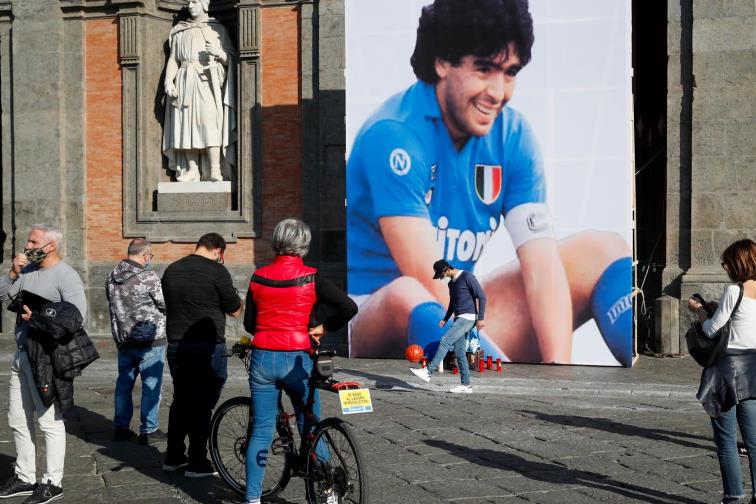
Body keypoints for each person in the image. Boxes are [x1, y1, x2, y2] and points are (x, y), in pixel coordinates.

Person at [345, 0, 633, 366]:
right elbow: (431, 277)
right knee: (408, 292)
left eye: (509, 73)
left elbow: (542, 267)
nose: (498, 92)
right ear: (442, 62)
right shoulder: (394, 134)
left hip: (454, 316)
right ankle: (494, 388)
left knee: (602, 249)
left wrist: (559, 377)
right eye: (484, 69)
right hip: (370, 323)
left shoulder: (512, 135)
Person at [242, 218, 357, 504]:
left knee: (261, 429)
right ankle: (327, 490)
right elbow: (349, 307)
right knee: (312, 425)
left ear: (276, 243)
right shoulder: (313, 277)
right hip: (298, 360)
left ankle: (253, 498)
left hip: (263, 358)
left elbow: (248, 323)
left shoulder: (258, 277)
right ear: (304, 245)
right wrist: (323, 328)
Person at [0, 224, 87, 503]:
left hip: (47, 359)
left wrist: (36, 319)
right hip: (21, 354)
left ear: (50, 246)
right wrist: (13, 272)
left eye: (33, 241)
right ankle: (25, 477)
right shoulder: (25, 271)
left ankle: (53, 482)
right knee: (17, 419)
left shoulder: (66, 276)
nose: (27, 245)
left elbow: (76, 319)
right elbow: (2, 297)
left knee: (49, 421)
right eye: (28, 240)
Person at [688, 239, 756, 504]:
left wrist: (700, 310)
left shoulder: (735, 291)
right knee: (755, 441)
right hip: (751, 367)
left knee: (726, 442)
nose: (726, 268)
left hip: (726, 370)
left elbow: (711, 330)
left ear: (737, 263)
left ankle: (734, 497)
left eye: (726, 263)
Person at [161, 232, 242, 477]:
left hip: (176, 345)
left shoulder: (171, 270)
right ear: (218, 250)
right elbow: (235, 310)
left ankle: (174, 456)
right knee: (203, 404)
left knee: (181, 400)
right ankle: (198, 460)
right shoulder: (217, 271)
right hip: (208, 347)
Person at [162, 0, 236, 183]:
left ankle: (215, 170)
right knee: (185, 126)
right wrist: (168, 81)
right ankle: (192, 170)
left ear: (204, 4)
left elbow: (231, 58)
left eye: (194, 1)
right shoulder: (180, 31)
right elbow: (173, 59)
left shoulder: (217, 29)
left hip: (206, 82)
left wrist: (219, 53)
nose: (190, 5)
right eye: (188, 2)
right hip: (184, 82)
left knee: (209, 123)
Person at [105, 238, 168, 445]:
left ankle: (121, 427)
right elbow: (164, 303)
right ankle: (149, 429)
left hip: (124, 338)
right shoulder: (148, 276)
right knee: (151, 385)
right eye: (150, 256)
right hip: (150, 340)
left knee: (124, 383)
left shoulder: (112, 276)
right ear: (145, 255)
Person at [410, 260, 484, 393]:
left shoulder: (467, 277)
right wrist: (445, 318)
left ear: (447, 269)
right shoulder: (451, 284)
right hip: (458, 318)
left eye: (441, 275)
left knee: (445, 340)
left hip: (468, 318)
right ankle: (466, 385)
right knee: (459, 352)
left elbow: (482, 297)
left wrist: (481, 318)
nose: (441, 278)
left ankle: (428, 371)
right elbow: (452, 303)